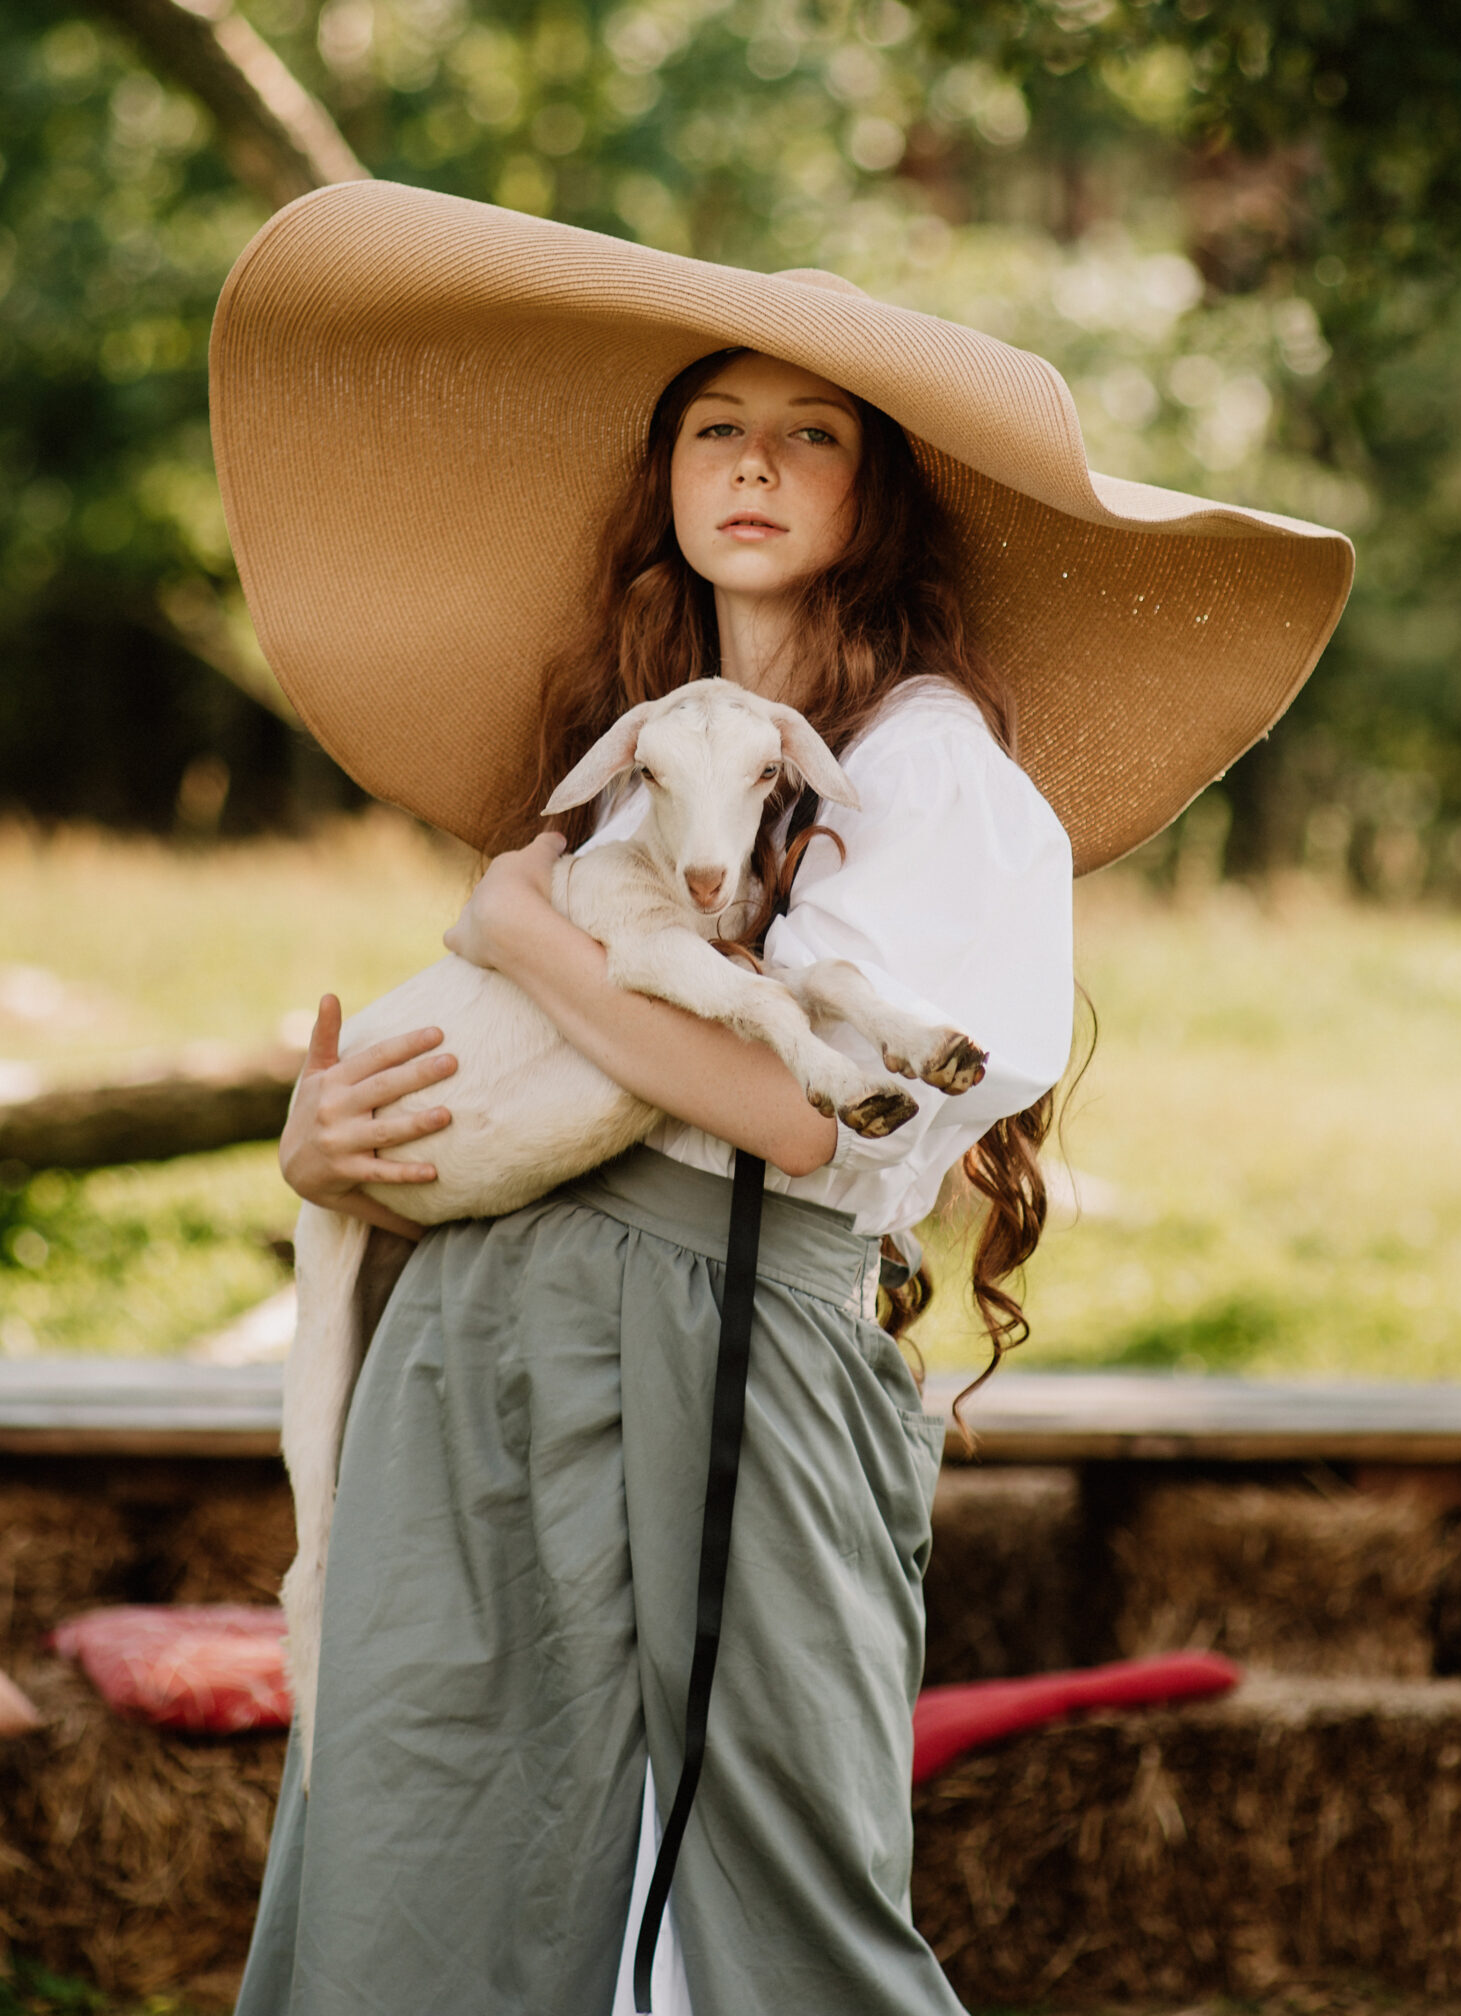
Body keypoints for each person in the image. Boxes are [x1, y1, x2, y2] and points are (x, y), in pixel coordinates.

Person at [210, 186, 1352, 2016]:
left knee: (787, 1905)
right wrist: (320, 1148)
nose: (753, 464)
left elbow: (804, 1119)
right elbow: (496, 1078)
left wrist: (523, 921)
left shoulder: (934, 776)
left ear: (875, 491)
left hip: (737, 1326)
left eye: (808, 433)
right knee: (420, 1874)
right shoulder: (635, 765)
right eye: (714, 429)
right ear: (666, 477)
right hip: (483, 1332)